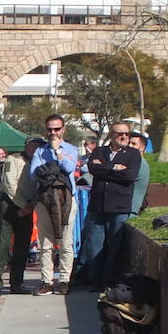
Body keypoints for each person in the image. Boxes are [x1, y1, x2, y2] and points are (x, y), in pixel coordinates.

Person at [79, 122, 143, 290]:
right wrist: (115, 167)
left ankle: (110, 281)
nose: (123, 137)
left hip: (119, 207)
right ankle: (96, 280)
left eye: (126, 134)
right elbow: (92, 168)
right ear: (111, 135)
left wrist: (104, 169)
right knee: (94, 246)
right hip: (97, 207)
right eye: (119, 134)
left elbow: (129, 176)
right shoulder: (99, 151)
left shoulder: (133, 154)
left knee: (115, 246)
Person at [28, 114, 79, 295]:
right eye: (49, 129)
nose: (53, 133)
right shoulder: (40, 151)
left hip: (66, 200)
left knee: (66, 242)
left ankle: (64, 280)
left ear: (63, 129)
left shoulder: (71, 149)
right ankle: (46, 281)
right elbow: (35, 173)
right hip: (44, 200)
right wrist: (54, 168)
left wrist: (58, 152)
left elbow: (69, 168)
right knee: (45, 243)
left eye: (56, 129)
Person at [0, 141, 37, 297]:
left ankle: (17, 283)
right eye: (32, 146)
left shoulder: (39, 162)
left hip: (27, 207)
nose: (34, 149)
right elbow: (10, 184)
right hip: (9, 205)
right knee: (2, 245)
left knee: (22, 247)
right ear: (26, 147)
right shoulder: (13, 159)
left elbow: (41, 186)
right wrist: (24, 206)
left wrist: (31, 206)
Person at [130, 132, 151, 215]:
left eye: (133, 144)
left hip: (131, 210)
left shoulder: (139, 163)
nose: (130, 145)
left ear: (142, 148)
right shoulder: (133, 162)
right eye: (129, 143)